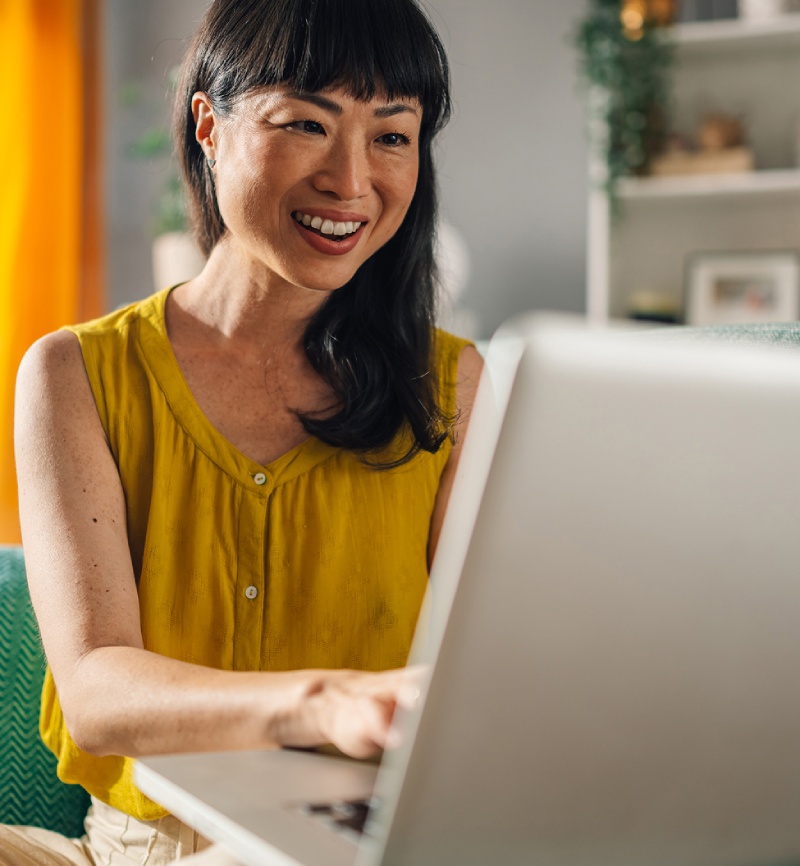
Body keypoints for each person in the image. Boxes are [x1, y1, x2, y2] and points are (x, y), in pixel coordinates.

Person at [4, 0, 482, 863]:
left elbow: (487, 665)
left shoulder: (453, 386)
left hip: (340, 845)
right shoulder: (75, 373)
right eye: (307, 122)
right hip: (125, 846)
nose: (351, 181)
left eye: (392, 135)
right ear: (208, 127)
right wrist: (321, 699)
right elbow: (98, 692)